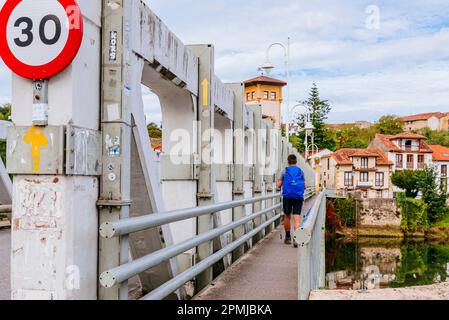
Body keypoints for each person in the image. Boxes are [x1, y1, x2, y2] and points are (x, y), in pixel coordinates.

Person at [277, 154, 306, 247]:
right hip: (298, 197)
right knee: (297, 218)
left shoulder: (285, 171)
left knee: (287, 216)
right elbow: (305, 186)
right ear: (296, 161)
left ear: (288, 161)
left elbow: (279, 185)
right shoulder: (301, 171)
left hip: (287, 197)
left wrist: (280, 182)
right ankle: (296, 239)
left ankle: (288, 237)